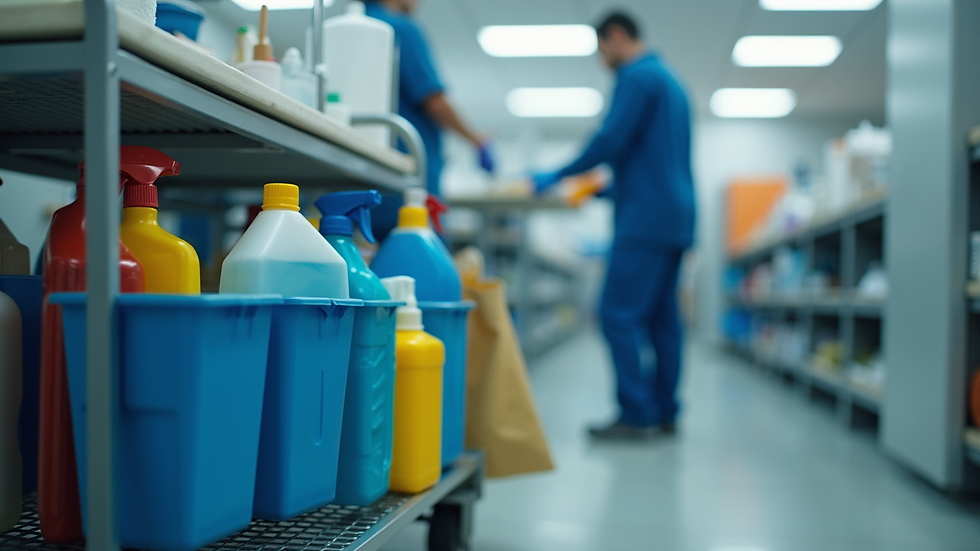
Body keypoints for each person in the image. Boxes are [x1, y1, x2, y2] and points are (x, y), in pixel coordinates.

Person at [533, 12, 696, 440]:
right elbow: (652, 162)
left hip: (645, 222)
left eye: (601, 50)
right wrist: (599, 191)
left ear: (617, 37)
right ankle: (665, 412)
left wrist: (557, 173)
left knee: (616, 313)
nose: (603, 61)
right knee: (662, 319)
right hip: (675, 218)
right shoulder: (672, 83)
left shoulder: (636, 76)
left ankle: (635, 416)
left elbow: (609, 141)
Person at [364, 0, 494, 197]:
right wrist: (476, 139)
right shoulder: (401, 28)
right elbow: (435, 103)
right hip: (404, 168)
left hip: (361, 168)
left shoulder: (345, 31)